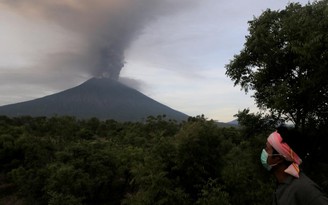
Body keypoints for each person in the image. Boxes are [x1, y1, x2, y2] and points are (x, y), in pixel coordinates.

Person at [260, 126, 328, 205]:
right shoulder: (283, 184)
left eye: (267, 149)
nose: (264, 151)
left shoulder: (305, 190)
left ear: (278, 158)